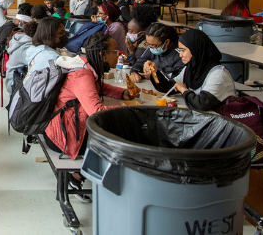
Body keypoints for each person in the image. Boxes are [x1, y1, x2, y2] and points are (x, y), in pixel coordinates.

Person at [43, 33, 134, 201]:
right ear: (103, 54)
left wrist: (123, 94)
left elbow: (101, 87)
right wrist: (130, 110)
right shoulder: (83, 75)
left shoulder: (86, 65)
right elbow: (96, 111)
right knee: (120, 135)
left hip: (64, 127)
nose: (119, 54)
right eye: (115, 51)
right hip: (64, 136)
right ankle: (76, 177)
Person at [171, 29, 237, 111]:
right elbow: (171, 85)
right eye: (179, 50)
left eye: (183, 50)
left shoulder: (218, 74)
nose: (180, 55)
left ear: (196, 49)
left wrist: (184, 90)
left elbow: (201, 104)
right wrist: (154, 73)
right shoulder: (191, 68)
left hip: (222, 120)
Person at [128, 22, 184, 93]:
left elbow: (176, 81)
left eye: (154, 45)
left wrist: (154, 76)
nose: (151, 48)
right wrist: (134, 72)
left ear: (166, 42)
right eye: (148, 44)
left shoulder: (180, 55)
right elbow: (140, 62)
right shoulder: (151, 48)